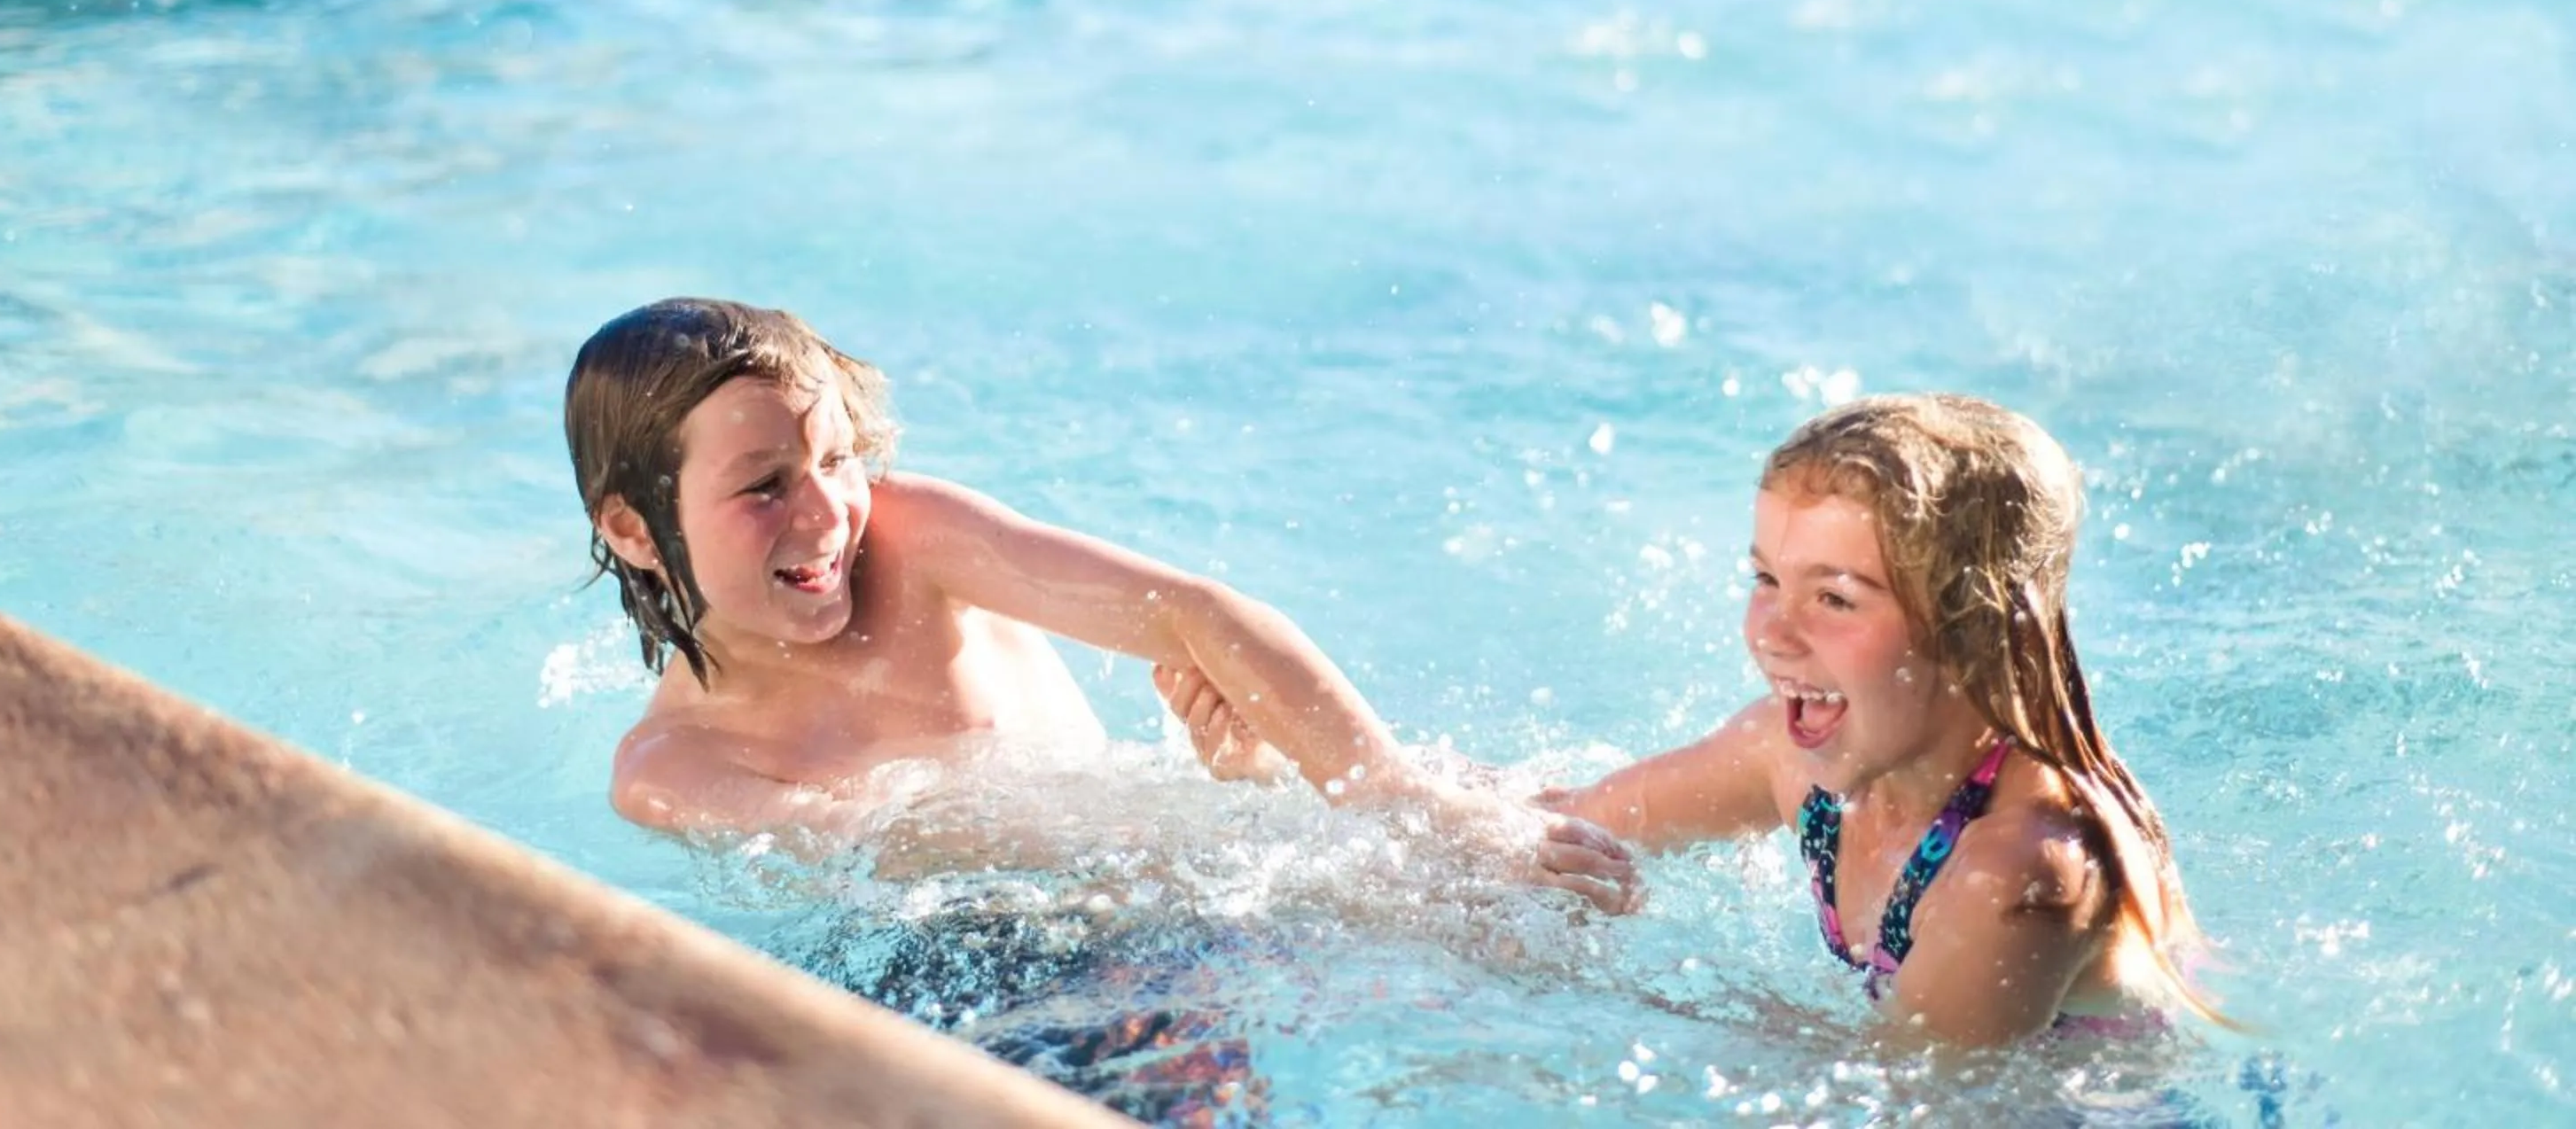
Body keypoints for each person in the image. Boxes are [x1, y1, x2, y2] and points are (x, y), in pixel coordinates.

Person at [1161, 393, 2217, 1046]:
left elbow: (1895, 1100)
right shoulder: (1795, 748)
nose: (1774, 630)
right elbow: (1556, 820)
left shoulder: (2016, 874)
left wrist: (1578, 992)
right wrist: (1292, 775)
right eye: (1765, 577)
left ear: (1969, 632)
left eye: (1835, 597)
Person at [564, 296, 1635, 911]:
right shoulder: (673, 771)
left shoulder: (916, 540)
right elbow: (934, 854)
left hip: (1155, 886)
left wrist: (1391, 796)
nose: (829, 511)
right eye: (763, 486)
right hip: (977, 959)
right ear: (632, 527)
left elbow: (1192, 612)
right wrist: (1336, 878)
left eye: (838, 457)